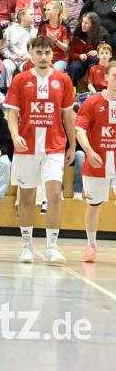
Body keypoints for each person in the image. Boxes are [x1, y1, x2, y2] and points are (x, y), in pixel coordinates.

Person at [5, 36, 76, 264]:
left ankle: (52, 247)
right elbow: (12, 113)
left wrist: (72, 145)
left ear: (52, 54)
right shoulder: (20, 80)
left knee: (55, 195)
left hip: (54, 146)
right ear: (31, 53)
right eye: (39, 52)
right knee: (27, 196)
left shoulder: (63, 80)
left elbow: (68, 115)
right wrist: (15, 136)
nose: (44, 57)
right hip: (27, 147)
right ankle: (27, 246)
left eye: (47, 52)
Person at [75, 62, 116, 263]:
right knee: (94, 205)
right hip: (97, 163)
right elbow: (80, 130)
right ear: (106, 77)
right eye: (115, 75)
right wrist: (89, 151)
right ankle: (91, 244)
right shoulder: (92, 102)